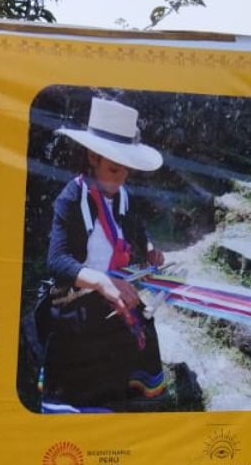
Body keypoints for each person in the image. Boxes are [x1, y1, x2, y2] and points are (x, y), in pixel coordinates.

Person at [36, 96, 173, 409]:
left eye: (126, 171)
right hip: (77, 298)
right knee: (83, 354)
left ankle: (122, 399)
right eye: (113, 169)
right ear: (93, 157)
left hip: (114, 292)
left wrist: (149, 248)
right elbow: (56, 260)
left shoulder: (124, 196)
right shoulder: (71, 198)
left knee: (141, 328)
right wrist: (100, 282)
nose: (120, 178)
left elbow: (137, 229)